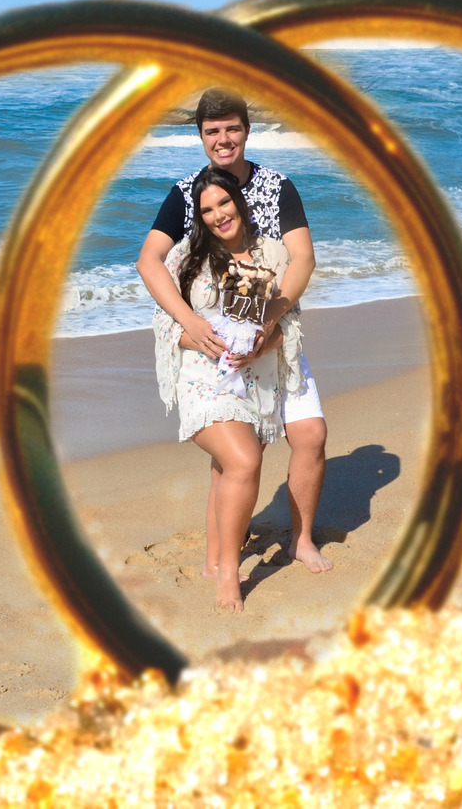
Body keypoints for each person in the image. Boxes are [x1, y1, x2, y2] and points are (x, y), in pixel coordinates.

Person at [137, 88, 335, 580]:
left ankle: (301, 542)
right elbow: (149, 261)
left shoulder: (276, 187)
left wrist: (271, 321)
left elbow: (303, 258)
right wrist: (189, 322)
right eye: (212, 131)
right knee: (241, 454)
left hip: (278, 335)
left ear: (247, 130)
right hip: (224, 352)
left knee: (311, 435)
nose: (223, 139)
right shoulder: (188, 194)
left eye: (232, 128)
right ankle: (218, 553)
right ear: (201, 136)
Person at [152, 166, 303, 611]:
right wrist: (200, 336)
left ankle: (212, 562)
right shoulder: (187, 257)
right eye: (207, 210)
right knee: (244, 460)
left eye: (224, 202)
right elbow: (163, 323)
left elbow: (288, 324)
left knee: (226, 470)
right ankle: (228, 576)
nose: (218, 215)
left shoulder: (273, 255)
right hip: (202, 378)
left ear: (239, 200)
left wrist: (260, 345)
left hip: (255, 380)